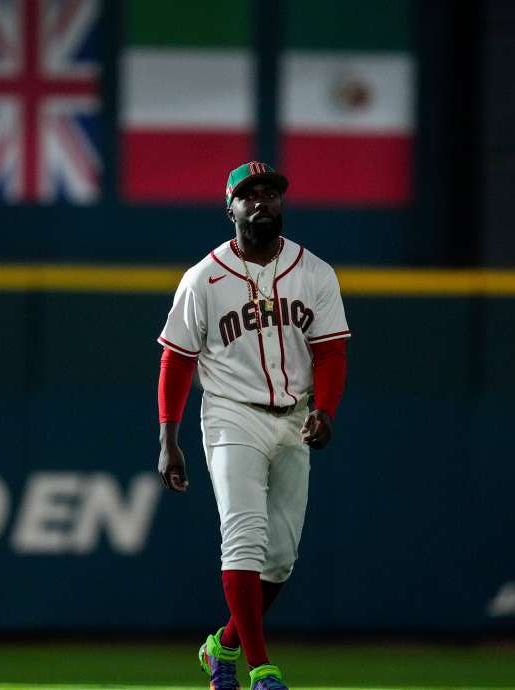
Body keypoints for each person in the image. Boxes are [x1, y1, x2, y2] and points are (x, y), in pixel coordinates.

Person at [156, 162, 350, 690]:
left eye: (271, 192)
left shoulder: (315, 272)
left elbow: (331, 352)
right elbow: (177, 359)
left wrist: (325, 410)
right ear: (231, 209)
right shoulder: (204, 277)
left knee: (281, 560)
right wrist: (168, 437)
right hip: (230, 414)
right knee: (243, 538)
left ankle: (223, 645)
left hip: (293, 417)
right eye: (249, 195)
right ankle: (262, 669)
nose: (262, 200)